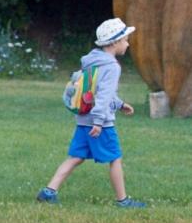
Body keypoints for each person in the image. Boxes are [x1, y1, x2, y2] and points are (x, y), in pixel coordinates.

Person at [37, 19, 145, 208]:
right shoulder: (112, 66)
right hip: (100, 124)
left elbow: (95, 91)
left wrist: (119, 104)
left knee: (75, 158)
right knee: (115, 158)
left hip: (83, 119)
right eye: (125, 40)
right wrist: (98, 122)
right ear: (114, 42)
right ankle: (123, 200)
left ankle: (48, 191)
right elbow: (102, 96)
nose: (128, 44)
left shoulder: (91, 60)